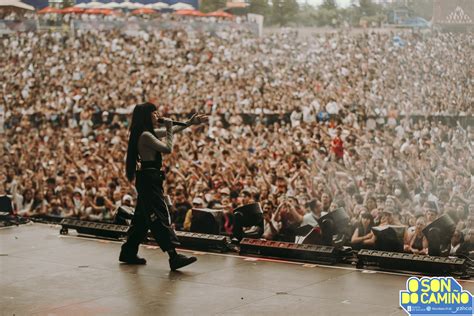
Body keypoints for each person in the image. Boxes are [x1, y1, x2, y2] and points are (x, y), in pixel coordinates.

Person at [119, 102, 207, 271]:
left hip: (149, 178)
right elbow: (167, 148)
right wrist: (167, 127)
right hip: (149, 179)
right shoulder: (145, 135)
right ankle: (173, 256)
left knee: (142, 219)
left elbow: (170, 132)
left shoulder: (146, 133)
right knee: (158, 215)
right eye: (154, 113)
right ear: (147, 116)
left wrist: (188, 123)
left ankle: (128, 252)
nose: (158, 115)